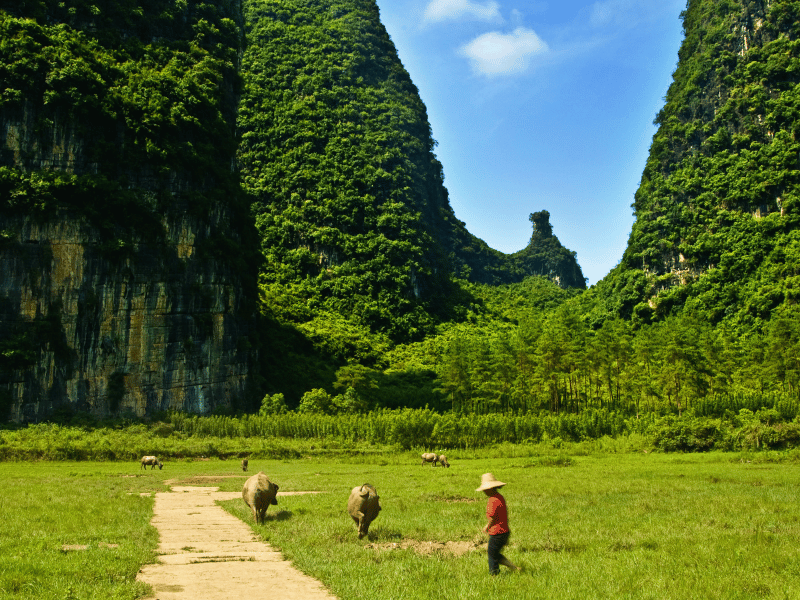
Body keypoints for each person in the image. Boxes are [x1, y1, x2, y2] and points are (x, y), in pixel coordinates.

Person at [476, 472, 521, 575]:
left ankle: (494, 575)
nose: (484, 491)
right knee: (495, 553)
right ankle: (514, 568)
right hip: (505, 532)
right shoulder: (500, 497)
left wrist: (487, 527)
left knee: (492, 555)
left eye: (485, 489)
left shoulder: (492, 500)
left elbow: (492, 518)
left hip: (497, 533)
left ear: (490, 488)